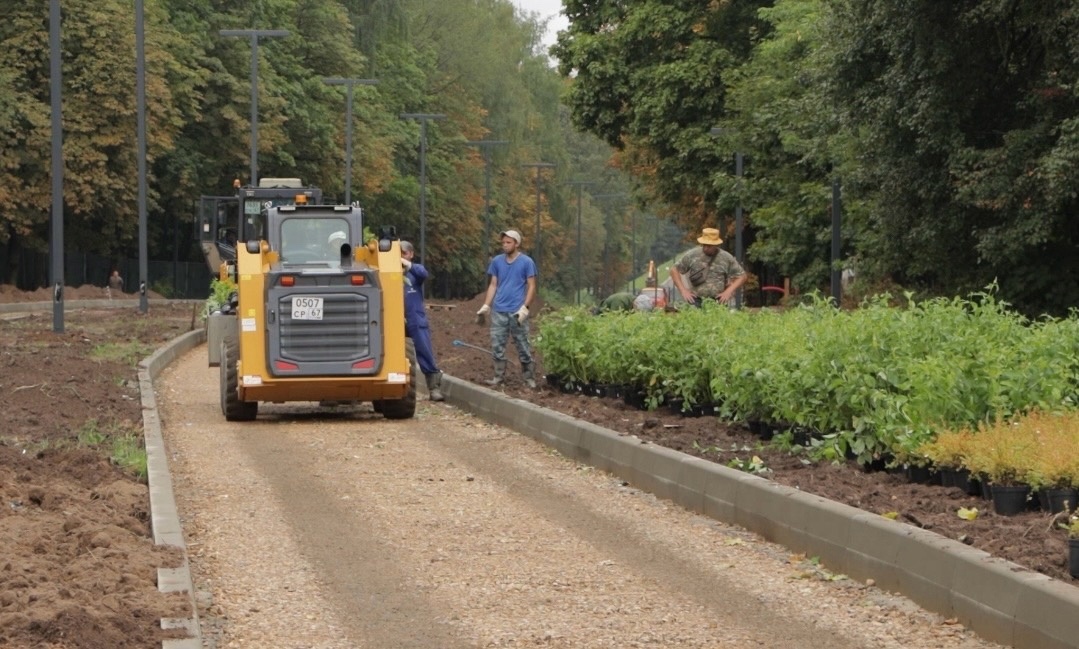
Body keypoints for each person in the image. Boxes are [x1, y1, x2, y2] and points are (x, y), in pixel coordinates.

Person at [476, 229, 537, 388]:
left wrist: (525, 307)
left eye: (508, 242)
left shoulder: (526, 262)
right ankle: (498, 377)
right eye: (503, 242)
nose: (505, 245)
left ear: (517, 244)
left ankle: (529, 378)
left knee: (522, 344)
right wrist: (486, 305)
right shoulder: (497, 261)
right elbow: (493, 284)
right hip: (499, 310)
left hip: (517, 311)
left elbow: (531, 286)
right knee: (497, 344)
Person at [400, 241, 444, 401]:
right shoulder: (390, 272)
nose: (400, 257)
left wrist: (407, 265)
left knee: (424, 350)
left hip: (415, 318)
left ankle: (434, 388)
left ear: (411, 254)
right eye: (397, 254)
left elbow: (423, 273)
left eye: (404, 254)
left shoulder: (414, 272)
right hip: (394, 319)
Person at [669, 227, 747, 307]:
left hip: (718, 301)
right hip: (696, 300)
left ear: (716, 245)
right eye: (704, 245)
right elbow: (674, 270)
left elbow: (742, 276)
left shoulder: (726, 258)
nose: (706, 248)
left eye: (709, 246)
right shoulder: (692, 255)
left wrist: (728, 291)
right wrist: (683, 290)